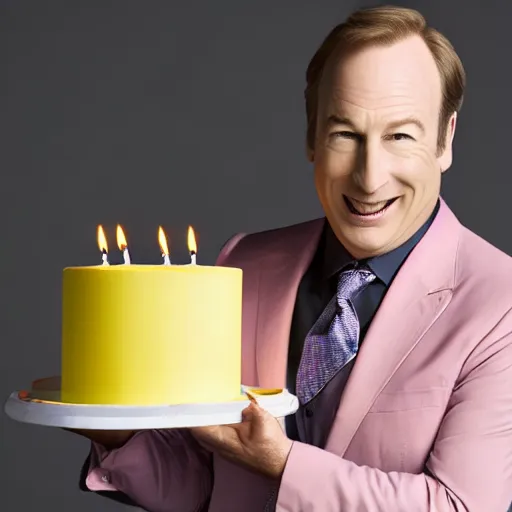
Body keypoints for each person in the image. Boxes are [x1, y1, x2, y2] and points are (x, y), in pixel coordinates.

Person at [68, 5, 512, 511]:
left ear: (444, 139)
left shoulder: (501, 306)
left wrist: (282, 464)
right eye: (345, 134)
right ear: (311, 136)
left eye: (400, 136)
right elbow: (204, 487)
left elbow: (461, 506)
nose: (370, 177)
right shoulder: (244, 264)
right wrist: (116, 436)